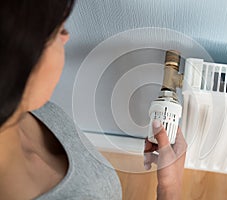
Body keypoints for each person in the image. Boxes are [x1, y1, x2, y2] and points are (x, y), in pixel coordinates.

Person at [0, 0, 187, 199]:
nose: (67, 37)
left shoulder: (33, 108)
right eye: (56, 32)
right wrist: (169, 190)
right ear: (14, 65)